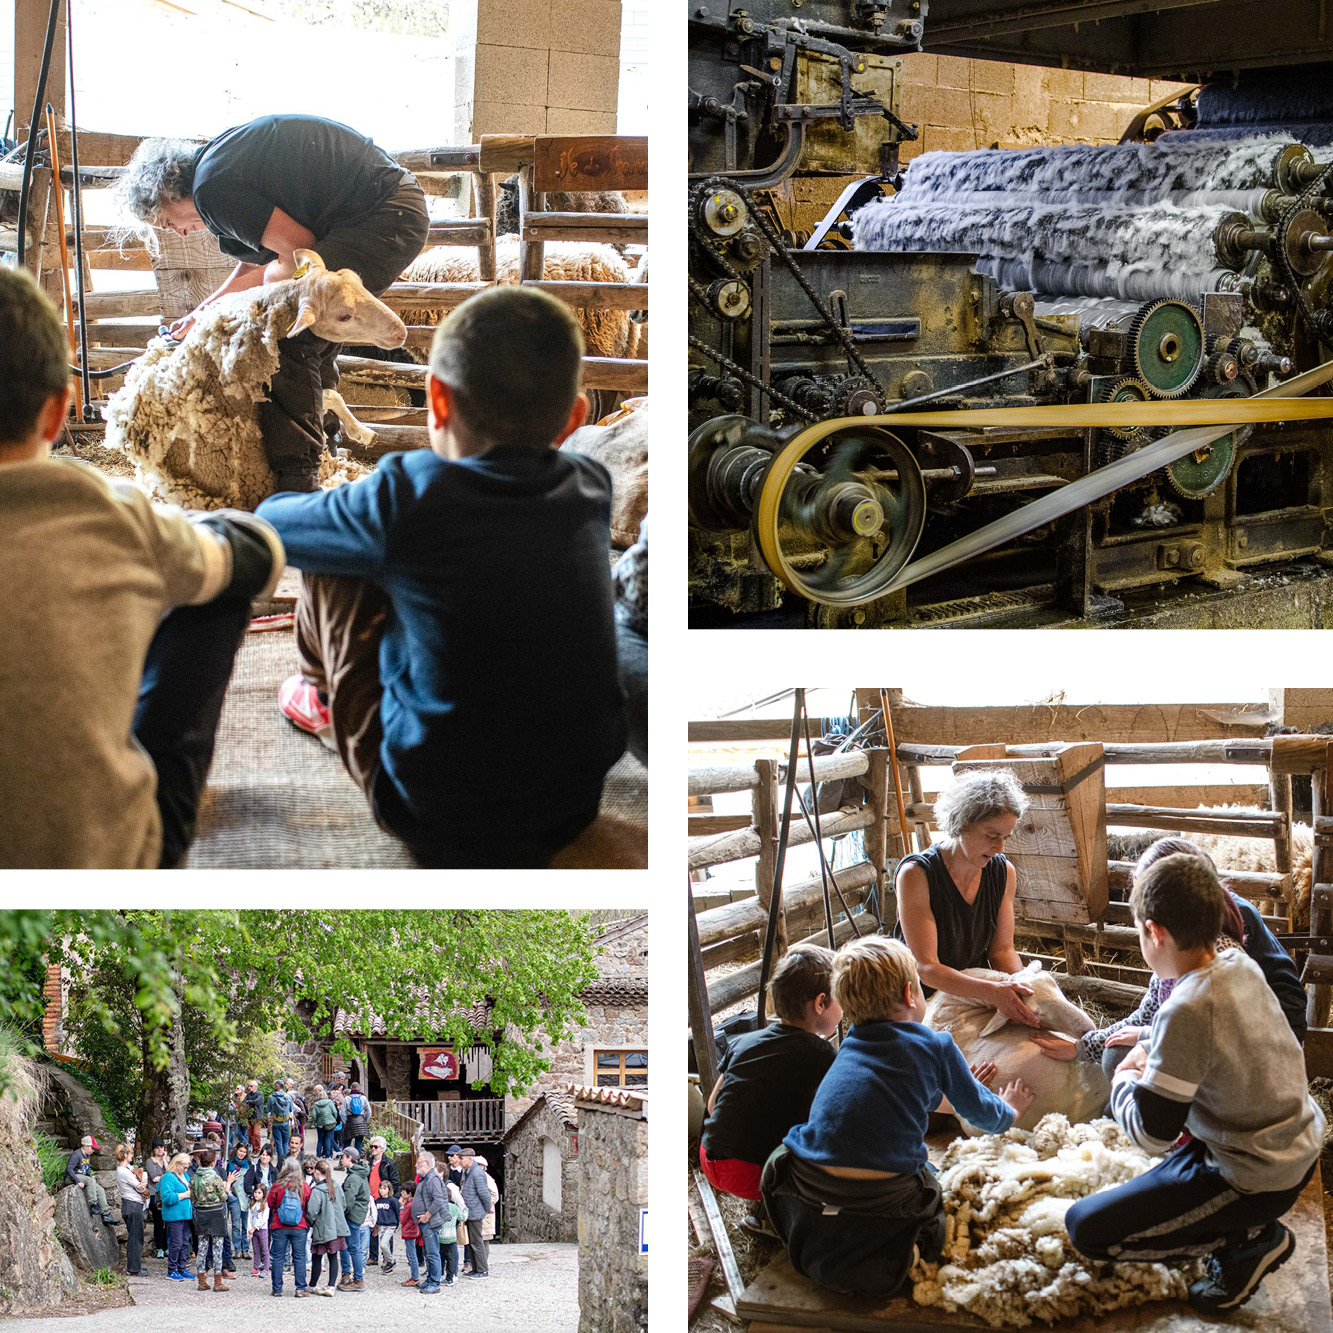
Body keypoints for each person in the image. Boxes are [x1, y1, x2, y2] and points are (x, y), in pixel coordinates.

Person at [255, 286, 626, 869]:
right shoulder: (591, 483)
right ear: (574, 418)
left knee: (335, 553)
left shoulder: (409, 491)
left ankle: (320, 698)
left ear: (437, 398)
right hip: (572, 807)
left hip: (430, 812)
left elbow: (273, 522)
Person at [0, 267, 285, 870]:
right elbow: (260, 558)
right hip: (112, 854)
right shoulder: (111, 511)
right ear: (58, 412)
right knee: (219, 580)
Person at [1064, 853, 1325, 1312]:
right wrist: (1149, 1039)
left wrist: (1125, 1079)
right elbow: (1213, 1037)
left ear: (1155, 933)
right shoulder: (1238, 964)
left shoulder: (1185, 1008)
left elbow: (1150, 1134)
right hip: (1295, 1141)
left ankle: (1245, 1242)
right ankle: (1242, 1227)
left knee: (1086, 1229)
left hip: (1255, 1173)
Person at [115, 116, 429, 493]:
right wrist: (200, 315)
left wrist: (267, 298)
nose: (178, 232)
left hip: (382, 213)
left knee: (288, 337)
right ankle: (324, 450)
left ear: (167, 193)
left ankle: (299, 480)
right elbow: (258, 263)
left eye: (166, 222)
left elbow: (300, 249)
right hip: (387, 206)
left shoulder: (212, 190)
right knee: (310, 329)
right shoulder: (215, 170)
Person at [764, 937, 1032, 1298]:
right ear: (911, 994)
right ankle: (912, 1246)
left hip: (810, 1182)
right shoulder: (937, 1046)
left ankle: (801, 1225)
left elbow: (891, 1092)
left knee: (781, 1156)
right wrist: (1011, 1109)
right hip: (885, 1195)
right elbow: (985, 1115)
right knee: (938, 1185)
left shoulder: (848, 1047)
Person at [1036, 835, 1308, 1079]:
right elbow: (1152, 1011)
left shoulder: (1219, 959)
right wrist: (1084, 1047)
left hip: (1265, 1054)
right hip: (1227, 1048)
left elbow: (1221, 1037)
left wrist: (1148, 1046)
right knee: (1118, 1052)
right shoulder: (1185, 940)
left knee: (1126, 1062)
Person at [700, 944, 840, 1236]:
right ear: (821, 1003)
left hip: (710, 1156)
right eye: (841, 999)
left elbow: (713, 1105)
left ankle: (766, 1207)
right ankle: (781, 1218)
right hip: (751, 1173)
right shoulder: (820, 1054)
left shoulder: (745, 1041)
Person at [894, 769, 1041, 1029]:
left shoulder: (1003, 872)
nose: (999, 848)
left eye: (1005, 838)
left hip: (975, 990)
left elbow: (1002, 951)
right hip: (917, 998)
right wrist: (993, 991)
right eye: (992, 836)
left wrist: (1022, 987)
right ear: (962, 823)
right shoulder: (916, 875)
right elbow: (926, 967)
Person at [266, 1158, 312, 1297]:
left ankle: (277, 1289)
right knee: (299, 1257)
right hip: (299, 1226)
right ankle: (300, 1288)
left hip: (279, 1225)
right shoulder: (304, 1186)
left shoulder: (277, 1186)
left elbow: (269, 1204)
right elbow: (308, 1204)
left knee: (278, 1257)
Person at [305, 1158, 350, 1297]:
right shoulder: (336, 1186)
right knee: (333, 1257)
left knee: (317, 1257)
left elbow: (312, 1211)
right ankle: (331, 1286)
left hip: (323, 1228)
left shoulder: (317, 1190)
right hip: (337, 1228)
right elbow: (344, 1205)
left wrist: (310, 1223)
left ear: (317, 1172)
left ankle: (312, 1285)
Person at [190, 1147, 231, 1292]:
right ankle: (218, 1281)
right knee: (217, 1247)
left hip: (201, 1213)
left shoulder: (195, 1178)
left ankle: (202, 1280)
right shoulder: (215, 1178)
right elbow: (223, 1196)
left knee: (201, 1247)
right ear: (213, 1162)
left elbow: (193, 1197)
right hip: (216, 1213)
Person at [412, 1151, 448, 1293]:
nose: (416, 1165)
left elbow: (438, 1200)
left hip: (430, 1222)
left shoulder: (432, 1178)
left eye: (418, 1162)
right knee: (429, 1252)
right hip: (426, 1222)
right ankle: (430, 1279)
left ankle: (435, 1283)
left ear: (426, 1164)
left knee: (433, 1252)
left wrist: (427, 1215)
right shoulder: (426, 1178)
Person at [457, 1146, 494, 1278]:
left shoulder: (477, 1173)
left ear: (470, 1159)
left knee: (477, 1242)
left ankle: (482, 1270)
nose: (459, 1161)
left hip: (475, 1212)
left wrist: (486, 1209)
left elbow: (484, 1194)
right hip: (470, 1211)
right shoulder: (468, 1172)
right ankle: (476, 1268)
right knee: (472, 1242)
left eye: (461, 1158)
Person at [64, 1135, 115, 1228]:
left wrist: (90, 1176)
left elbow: (85, 1171)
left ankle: (106, 1214)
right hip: (71, 1177)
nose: (93, 1150)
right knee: (91, 1181)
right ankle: (93, 1205)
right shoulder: (77, 1155)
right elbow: (69, 1169)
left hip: (82, 1177)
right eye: (92, 1148)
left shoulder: (87, 1156)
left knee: (100, 1189)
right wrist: (78, 1181)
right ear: (86, 1146)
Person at [338, 1145, 371, 1290]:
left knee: (354, 1247)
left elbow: (349, 1200)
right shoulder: (358, 1173)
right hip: (355, 1214)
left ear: (349, 1158)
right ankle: (346, 1275)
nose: (340, 1159)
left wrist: (340, 1213)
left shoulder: (354, 1177)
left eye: (343, 1157)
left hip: (352, 1216)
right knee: (345, 1246)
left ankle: (358, 1279)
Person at [159, 1153, 195, 1281]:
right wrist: (184, 1195)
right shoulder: (168, 1177)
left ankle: (182, 1267)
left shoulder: (184, 1175)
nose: (186, 1170)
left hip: (185, 1214)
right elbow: (167, 1197)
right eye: (184, 1167)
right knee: (176, 1243)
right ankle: (172, 1270)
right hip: (174, 1215)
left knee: (184, 1242)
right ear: (177, 1164)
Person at [366, 1135, 400, 1263]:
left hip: (384, 1199)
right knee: (372, 1227)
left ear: (382, 1148)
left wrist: (393, 1199)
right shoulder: (368, 1162)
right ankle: (373, 1256)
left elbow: (395, 1182)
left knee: (386, 1227)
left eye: (375, 1147)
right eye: (372, 1146)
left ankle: (387, 1257)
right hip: (371, 1199)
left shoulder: (389, 1163)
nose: (373, 1149)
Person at [115, 1145, 148, 1277]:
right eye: (130, 1153)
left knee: (136, 1236)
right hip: (132, 1205)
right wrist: (144, 1183)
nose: (132, 1155)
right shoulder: (123, 1171)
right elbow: (140, 1187)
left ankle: (135, 1265)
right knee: (135, 1237)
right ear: (124, 1155)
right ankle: (134, 1268)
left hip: (132, 1205)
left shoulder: (126, 1169)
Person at [226, 1141, 251, 1259]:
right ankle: (237, 1248)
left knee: (246, 1224)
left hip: (246, 1197)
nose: (242, 1154)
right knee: (236, 1224)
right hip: (234, 1196)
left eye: (244, 1152)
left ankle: (246, 1248)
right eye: (240, 1151)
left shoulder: (249, 1164)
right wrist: (229, 1193)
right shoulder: (230, 1163)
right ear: (236, 1150)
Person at [144, 1138, 169, 1258]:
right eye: (157, 1148)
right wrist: (165, 1176)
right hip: (155, 1195)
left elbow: (170, 1173)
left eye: (161, 1147)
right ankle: (159, 1247)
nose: (159, 1150)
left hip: (165, 1194)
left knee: (167, 1222)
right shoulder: (150, 1161)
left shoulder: (165, 1161)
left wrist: (164, 1160)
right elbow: (154, 1178)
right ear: (154, 1150)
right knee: (158, 1221)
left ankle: (167, 1246)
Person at [440, 1180, 467, 1286]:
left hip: (440, 1236)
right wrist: (465, 1209)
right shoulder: (454, 1208)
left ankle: (439, 1274)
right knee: (451, 1258)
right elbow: (462, 1217)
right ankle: (450, 1277)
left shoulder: (439, 1208)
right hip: (451, 1237)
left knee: (440, 1256)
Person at [374, 1178, 401, 1274]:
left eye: (385, 1188)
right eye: (381, 1188)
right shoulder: (377, 1201)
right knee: (385, 1246)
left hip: (390, 1225)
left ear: (389, 1190)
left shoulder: (392, 1200)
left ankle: (391, 1261)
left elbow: (397, 1213)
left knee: (383, 1244)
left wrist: (397, 1225)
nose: (382, 1190)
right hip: (381, 1225)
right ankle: (389, 1267)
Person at [399, 1182, 422, 1287]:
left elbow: (403, 1220)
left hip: (409, 1232)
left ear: (409, 1193)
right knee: (412, 1254)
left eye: (404, 1192)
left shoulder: (409, 1205)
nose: (401, 1193)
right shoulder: (414, 1203)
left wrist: (401, 1207)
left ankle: (415, 1277)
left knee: (411, 1255)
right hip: (413, 1231)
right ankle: (414, 1276)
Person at [267, 1081, 295, 1160]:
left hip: (276, 1123)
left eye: (274, 1085)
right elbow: (290, 1109)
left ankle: (280, 1160)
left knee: (278, 1142)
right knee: (285, 1142)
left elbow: (268, 1109)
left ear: (277, 1086)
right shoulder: (288, 1097)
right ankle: (286, 1160)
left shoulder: (271, 1097)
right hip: (286, 1123)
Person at [248, 1184, 271, 1278]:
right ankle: (255, 1268)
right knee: (255, 1250)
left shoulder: (265, 1205)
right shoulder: (252, 1204)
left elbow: (264, 1219)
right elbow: (249, 1218)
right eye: (255, 1192)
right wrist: (249, 1231)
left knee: (264, 1249)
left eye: (259, 1193)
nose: (256, 1194)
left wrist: (255, 1227)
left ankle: (266, 1268)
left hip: (262, 1230)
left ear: (263, 1194)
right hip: (253, 1231)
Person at [311, 1084, 339, 1159]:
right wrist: (334, 1119)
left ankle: (318, 1154)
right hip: (330, 1123)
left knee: (320, 1139)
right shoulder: (330, 1102)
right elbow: (335, 1112)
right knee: (328, 1138)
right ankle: (327, 1155)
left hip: (320, 1123)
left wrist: (316, 1121)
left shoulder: (316, 1104)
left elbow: (313, 1115)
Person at [342, 1083, 370, 1156]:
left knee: (347, 1141)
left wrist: (345, 1121)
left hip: (350, 1121)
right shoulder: (363, 1098)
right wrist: (365, 1120)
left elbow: (342, 1112)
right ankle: (357, 1159)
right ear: (359, 1089)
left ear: (351, 1089)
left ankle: (345, 1158)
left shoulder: (347, 1098)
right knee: (359, 1142)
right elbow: (369, 1111)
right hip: (361, 1120)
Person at [243, 1082, 265, 1153]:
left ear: (256, 1087)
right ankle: (253, 1148)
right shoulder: (249, 1094)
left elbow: (257, 1101)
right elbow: (243, 1102)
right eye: (249, 1086)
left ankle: (258, 1149)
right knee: (250, 1134)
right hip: (250, 1117)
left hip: (258, 1117)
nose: (249, 1087)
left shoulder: (260, 1093)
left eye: (251, 1086)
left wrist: (248, 1102)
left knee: (256, 1133)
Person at [287, 1080, 308, 1151]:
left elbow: (303, 1112)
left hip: (301, 1119)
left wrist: (296, 1113)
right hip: (294, 1120)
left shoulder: (298, 1102)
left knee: (301, 1132)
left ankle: (301, 1146)